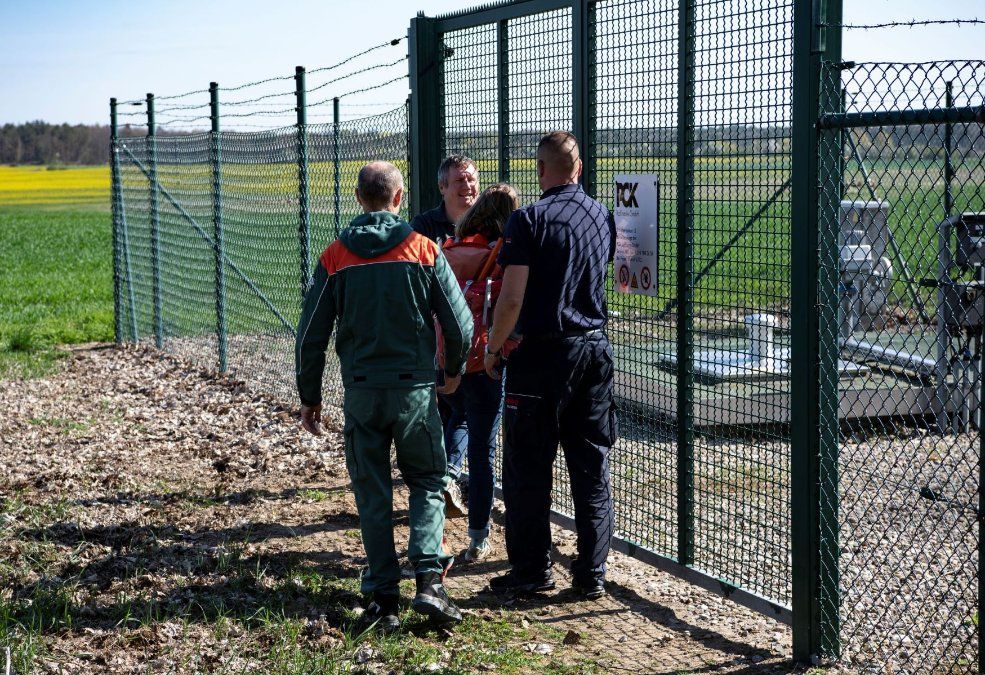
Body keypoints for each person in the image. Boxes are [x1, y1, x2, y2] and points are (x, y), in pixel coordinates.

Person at [295, 161, 473, 631]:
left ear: (359, 199)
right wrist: (451, 371)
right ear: (399, 199)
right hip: (414, 390)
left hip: (362, 393)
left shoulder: (335, 257)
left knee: (371, 491)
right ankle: (430, 583)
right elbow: (459, 325)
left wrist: (309, 396)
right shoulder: (424, 250)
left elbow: (311, 334)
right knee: (428, 481)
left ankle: (382, 599)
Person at [482, 132, 617, 600]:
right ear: (578, 169)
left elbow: (513, 296)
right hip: (594, 350)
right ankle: (591, 573)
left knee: (528, 466)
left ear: (541, 171)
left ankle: (532, 570)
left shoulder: (527, 220)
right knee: (591, 464)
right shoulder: (602, 215)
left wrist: (494, 349)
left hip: (541, 356)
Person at [435, 183, 520, 563]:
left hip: (449, 358)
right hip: (485, 357)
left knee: (458, 417)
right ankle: (478, 538)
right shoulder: (503, 255)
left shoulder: (449, 251)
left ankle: (448, 475)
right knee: (484, 451)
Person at [410, 155, 480, 518]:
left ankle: (445, 477)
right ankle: (437, 479)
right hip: (433, 336)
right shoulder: (424, 226)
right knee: (438, 410)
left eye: (471, 180)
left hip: (476, 338)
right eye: (459, 181)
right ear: (442, 187)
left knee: (466, 410)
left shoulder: (487, 223)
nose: (467, 187)